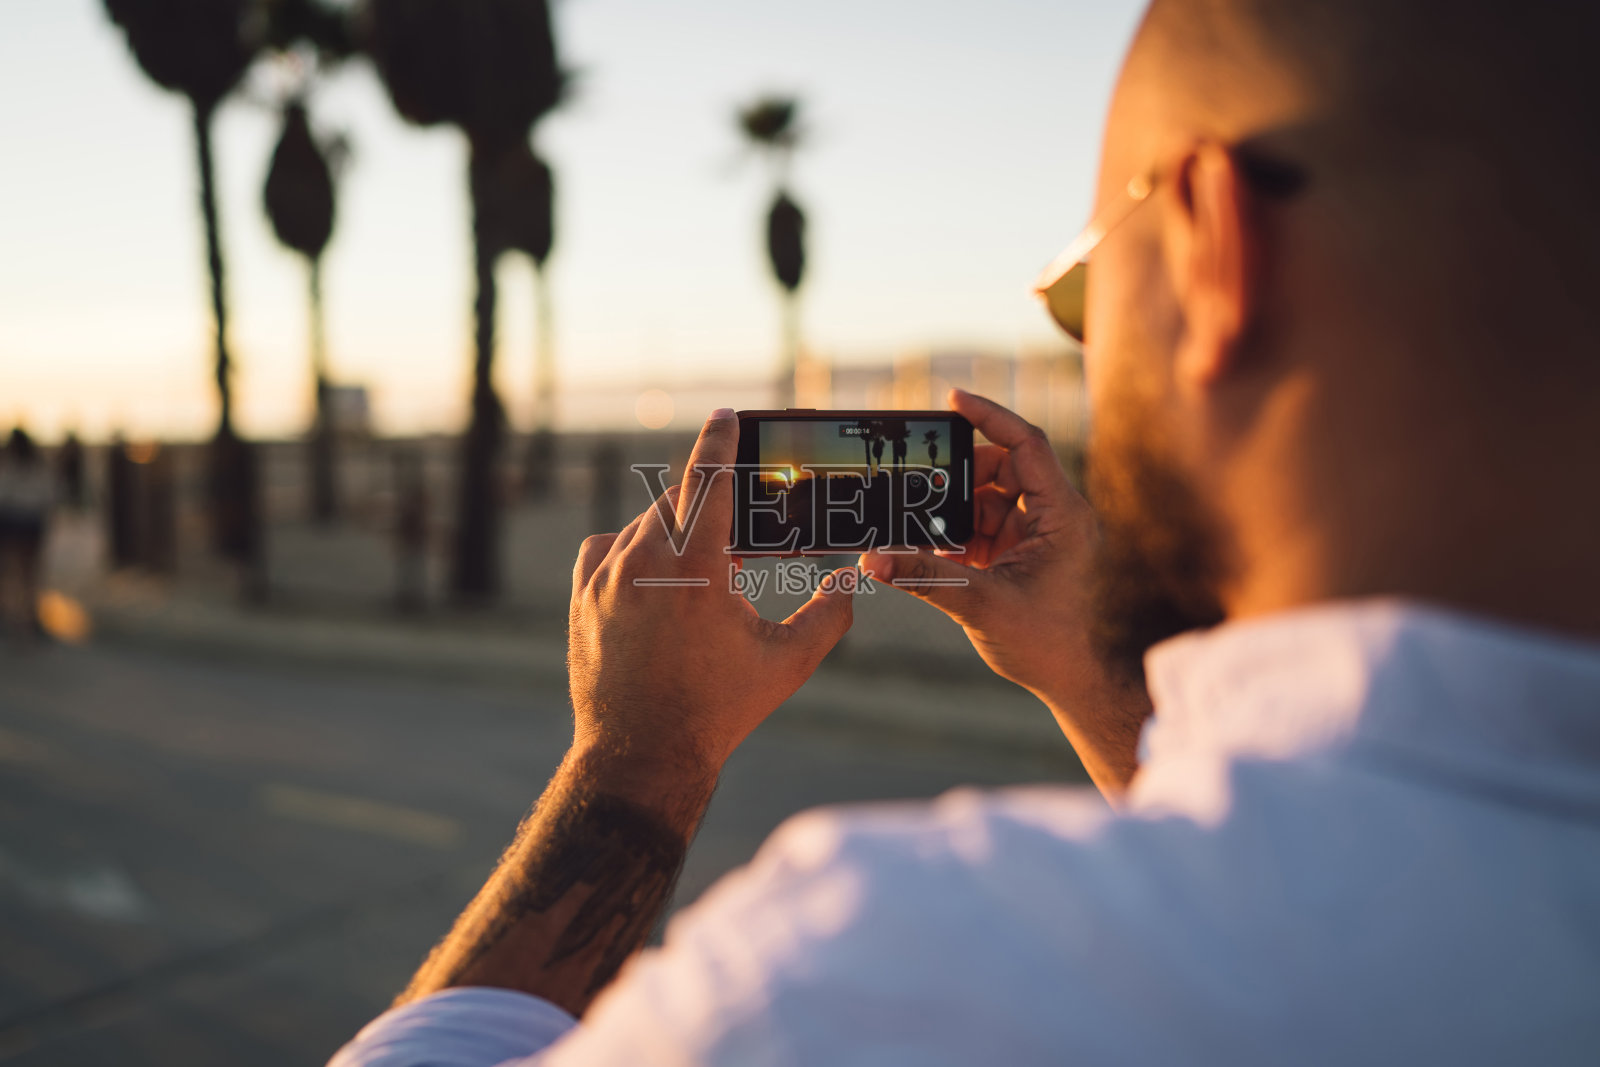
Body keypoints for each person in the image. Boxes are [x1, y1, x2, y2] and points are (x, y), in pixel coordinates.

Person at [331, 0, 1600, 1063]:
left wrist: (635, 764)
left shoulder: (877, 983)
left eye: (1079, 290)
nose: (1083, 343)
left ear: (1215, 246)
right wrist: (1096, 680)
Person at [0, 428, 54, 638]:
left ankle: (16, 617)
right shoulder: (38, 466)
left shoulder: (8, 466)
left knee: (13, 573)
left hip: (15, 524)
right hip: (31, 525)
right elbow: (48, 496)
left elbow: (4, 495)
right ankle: (28, 616)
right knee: (29, 574)